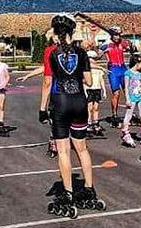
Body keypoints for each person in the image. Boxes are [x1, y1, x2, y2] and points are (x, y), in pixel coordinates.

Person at [33, 14, 104, 217]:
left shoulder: (50, 52)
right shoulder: (81, 53)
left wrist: (42, 108)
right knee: (82, 148)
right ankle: (89, 188)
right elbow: (89, 81)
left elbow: (47, 82)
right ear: (72, 32)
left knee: (63, 151)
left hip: (60, 102)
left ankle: (68, 193)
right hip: (79, 102)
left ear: (55, 33)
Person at [100, 27, 133, 128]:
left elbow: (131, 49)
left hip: (122, 67)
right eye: (115, 35)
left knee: (127, 91)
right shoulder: (106, 44)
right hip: (113, 68)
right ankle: (114, 114)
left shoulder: (122, 42)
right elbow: (98, 55)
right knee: (116, 93)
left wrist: (131, 46)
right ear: (111, 35)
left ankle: (130, 113)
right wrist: (102, 52)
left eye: (119, 35)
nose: (117, 37)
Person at [120, 55, 141, 147]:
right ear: (137, 63)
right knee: (129, 115)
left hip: (140, 96)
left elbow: (139, 84)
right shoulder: (128, 73)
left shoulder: (138, 73)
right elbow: (126, 87)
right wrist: (127, 99)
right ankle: (125, 132)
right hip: (132, 97)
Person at [85, 45, 107, 137]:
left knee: (96, 107)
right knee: (89, 107)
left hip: (97, 89)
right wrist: (84, 90)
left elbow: (101, 80)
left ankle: (95, 123)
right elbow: (84, 80)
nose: (92, 60)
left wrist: (104, 90)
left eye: (93, 58)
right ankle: (88, 123)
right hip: (89, 89)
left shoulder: (98, 69)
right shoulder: (86, 68)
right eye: (90, 58)